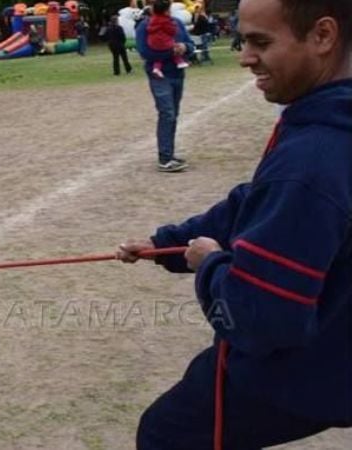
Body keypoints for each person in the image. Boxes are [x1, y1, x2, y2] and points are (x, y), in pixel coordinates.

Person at [120, 0, 352, 447]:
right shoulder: (321, 126)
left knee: (166, 434)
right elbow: (255, 202)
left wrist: (209, 264)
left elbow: (261, 319)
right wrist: (164, 245)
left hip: (300, 376)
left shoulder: (312, 161)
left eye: (260, 42)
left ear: (323, 36)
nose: (245, 57)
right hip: (330, 359)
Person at [135, 0, 194, 173]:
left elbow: (190, 45)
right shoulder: (144, 26)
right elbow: (144, 52)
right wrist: (171, 51)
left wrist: (184, 47)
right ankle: (165, 158)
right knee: (167, 113)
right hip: (159, 75)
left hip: (177, 73)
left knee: (173, 114)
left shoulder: (177, 23)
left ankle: (169, 153)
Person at [146, 0, 190, 79]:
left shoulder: (151, 20)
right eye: (169, 9)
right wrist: (174, 27)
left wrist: (186, 47)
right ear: (166, 11)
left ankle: (156, 68)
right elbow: (172, 31)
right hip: (164, 42)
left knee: (159, 54)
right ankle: (179, 61)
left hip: (153, 43)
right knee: (174, 47)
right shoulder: (167, 20)